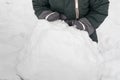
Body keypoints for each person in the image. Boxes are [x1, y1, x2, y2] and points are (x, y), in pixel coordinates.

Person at [32, 0, 109, 42]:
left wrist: (87, 24)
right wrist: (46, 15)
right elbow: (39, 4)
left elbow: (100, 8)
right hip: (54, 34)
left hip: (84, 35)